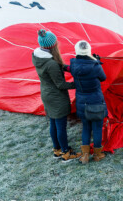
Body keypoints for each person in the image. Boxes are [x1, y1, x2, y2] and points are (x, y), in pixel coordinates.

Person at [32, 29, 81, 162]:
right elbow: (61, 85)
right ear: (52, 45)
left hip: (46, 93)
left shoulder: (37, 56)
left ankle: (57, 149)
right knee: (60, 126)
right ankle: (66, 153)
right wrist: (78, 84)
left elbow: (55, 68)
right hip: (56, 97)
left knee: (53, 123)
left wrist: (66, 67)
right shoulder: (51, 64)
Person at [70, 40, 108, 164]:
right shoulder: (95, 66)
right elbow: (103, 78)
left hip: (82, 102)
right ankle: (97, 155)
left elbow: (72, 67)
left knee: (86, 127)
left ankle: (85, 156)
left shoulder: (74, 66)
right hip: (96, 101)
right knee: (97, 128)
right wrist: (96, 61)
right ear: (89, 51)